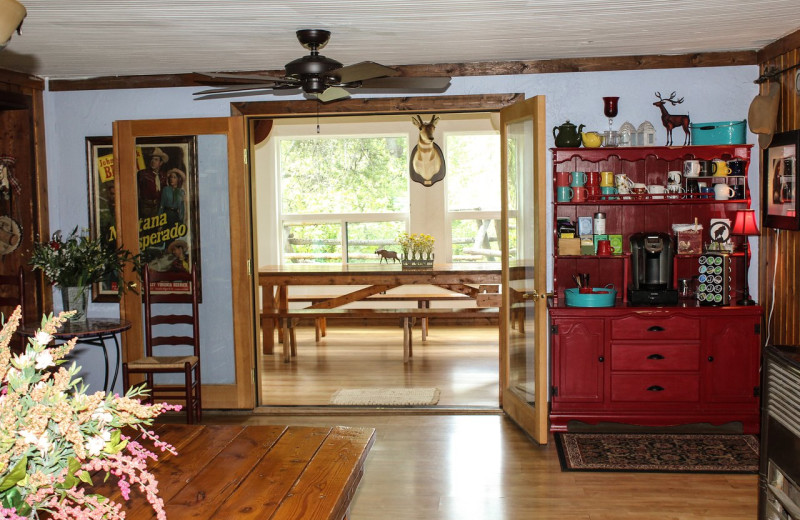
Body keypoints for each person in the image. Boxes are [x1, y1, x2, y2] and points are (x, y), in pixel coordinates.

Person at [137, 147, 169, 219]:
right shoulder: (143, 174)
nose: (153, 161)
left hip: (159, 207)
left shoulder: (163, 176)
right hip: (146, 207)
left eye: (156, 159)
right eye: (152, 159)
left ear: (160, 163)